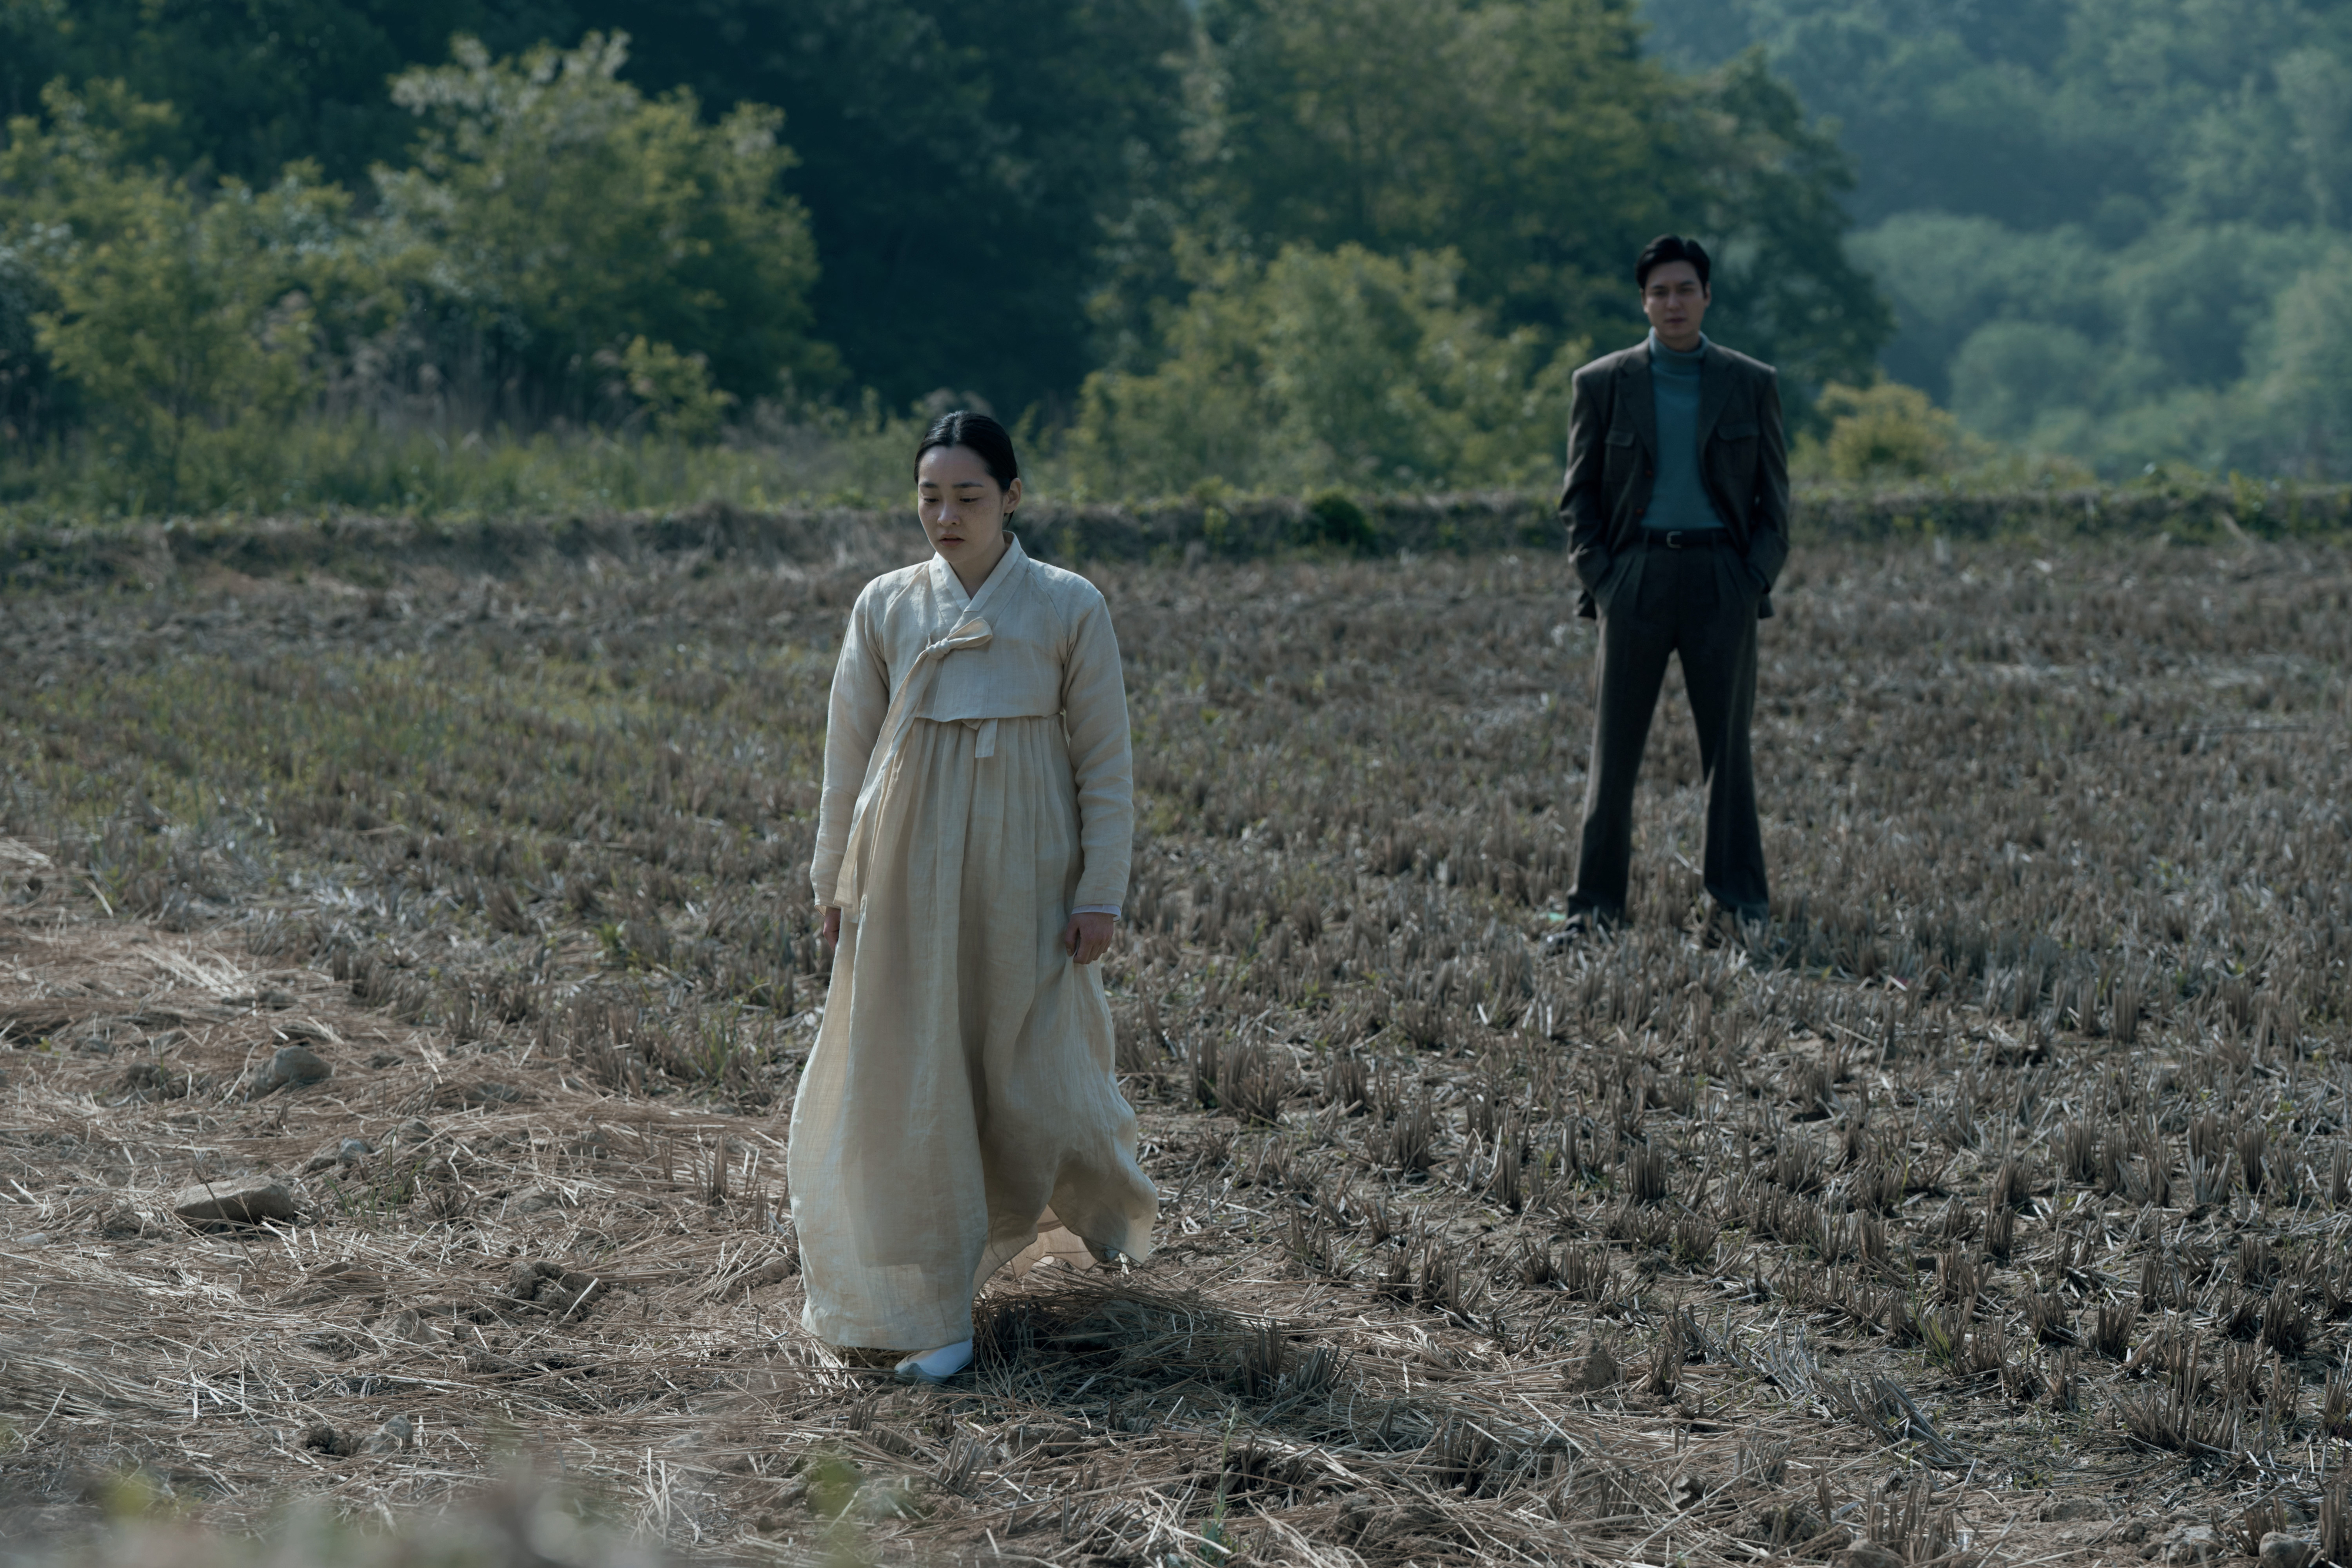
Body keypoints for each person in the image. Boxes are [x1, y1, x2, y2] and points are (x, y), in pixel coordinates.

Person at [790, 410, 1158, 1383]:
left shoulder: (1070, 604)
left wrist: (1101, 892)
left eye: (968, 497)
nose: (946, 516)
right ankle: (937, 1302)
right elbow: (847, 758)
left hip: (1027, 871)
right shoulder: (884, 605)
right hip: (906, 867)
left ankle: (1093, 1210)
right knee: (913, 1076)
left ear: (1013, 498)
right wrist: (834, 880)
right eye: (930, 497)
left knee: (1027, 1066)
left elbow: (1106, 766)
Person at [1557, 234, 1787, 937]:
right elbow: (1579, 499)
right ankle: (1594, 912)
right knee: (1614, 753)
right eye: (1659, 291)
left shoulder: (1750, 382)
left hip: (1723, 578)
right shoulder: (1600, 383)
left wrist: (1751, 579)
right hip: (1635, 579)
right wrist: (1605, 578)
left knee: (1728, 753)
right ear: (1643, 302)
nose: (1673, 302)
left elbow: (1773, 503)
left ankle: (1739, 905)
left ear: (1707, 296)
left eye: (1685, 289)